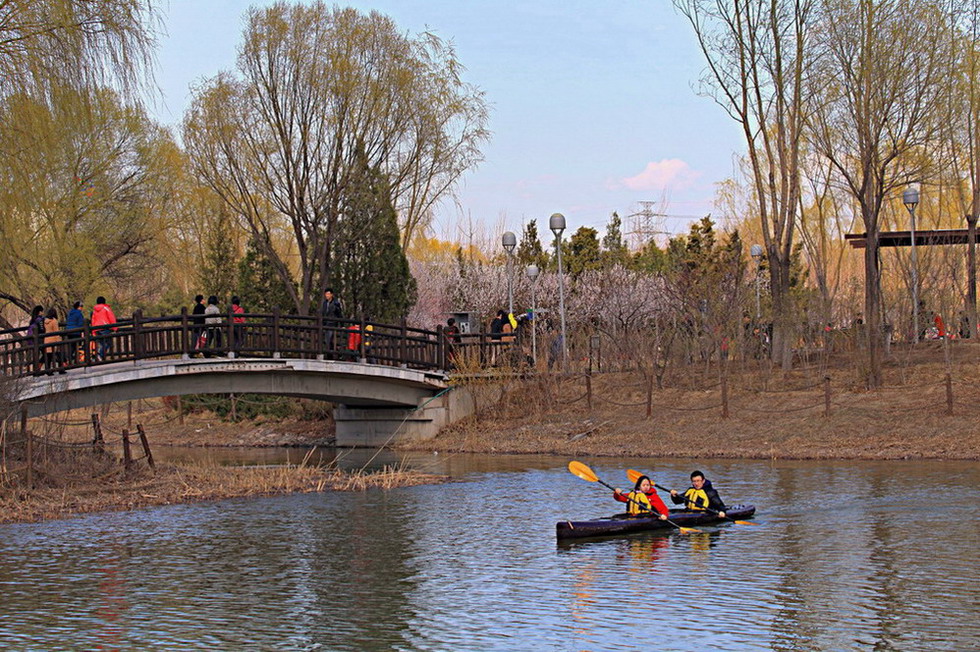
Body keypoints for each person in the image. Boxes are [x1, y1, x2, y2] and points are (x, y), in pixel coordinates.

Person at [90, 297, 117, 361]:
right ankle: (99, 354)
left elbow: (93, 320)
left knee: (102, 343)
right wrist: (115, 328)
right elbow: (111, 318)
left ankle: (99, 356)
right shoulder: (106, 308)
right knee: (108, 343)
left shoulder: (94, 311)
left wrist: (93, 330)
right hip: (105, 328)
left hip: (97, 328)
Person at [42, 308, 67, 375]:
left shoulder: (45, 321)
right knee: (59, 355)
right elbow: (56, 331)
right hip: (54, 339)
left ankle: (48, 370)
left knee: (48, 356)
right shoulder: (54, 321)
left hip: (47, 339)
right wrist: (59, 340)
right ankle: (60, 369)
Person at [320, 288, 343, 354]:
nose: (327, 295)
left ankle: (331, 353)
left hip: (332, 323)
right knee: (326, 340)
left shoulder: (336, 303)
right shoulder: (324, 303)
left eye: (328, 294)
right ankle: (332, 351)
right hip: (325, 323)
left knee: (329, 339)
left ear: (331, 295)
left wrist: (342, 325)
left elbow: (339, 314)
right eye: (326, 294)